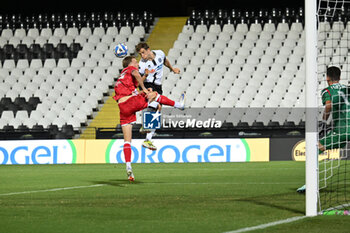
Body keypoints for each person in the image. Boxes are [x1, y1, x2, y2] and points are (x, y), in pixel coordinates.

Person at [113, 56, 185, 181]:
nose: (137, 63)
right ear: (130, 63)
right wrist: (145, 89)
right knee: (155, 96)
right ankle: (179, 105)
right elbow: (135, 74)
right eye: (135, 62)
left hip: (122, 107)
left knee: (127, 141)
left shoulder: (122, 77)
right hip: (130, 103)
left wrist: (144, 79)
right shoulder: (130, 69)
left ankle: (129, 167)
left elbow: (133, 86)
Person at [297, 66, 350, 193]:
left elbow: (328, 105)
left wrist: (324, 121)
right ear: (339, 77)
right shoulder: (347, 89)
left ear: (327, 77)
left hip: (342, 130)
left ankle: (310, 185)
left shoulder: (327, 91)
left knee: (316, 148)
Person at [135, 42, 181, 151]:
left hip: (158, 86)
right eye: (140, 54)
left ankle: (147, 132)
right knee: (157, 107)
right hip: (148, 85)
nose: (142, 56)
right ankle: (147, 132)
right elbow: (138, 82)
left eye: (143, 53)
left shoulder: (160, 53)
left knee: (158, 109)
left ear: (148, 49)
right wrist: (145, 79)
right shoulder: (142, 64)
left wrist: (172, 69)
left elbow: (165, 60)